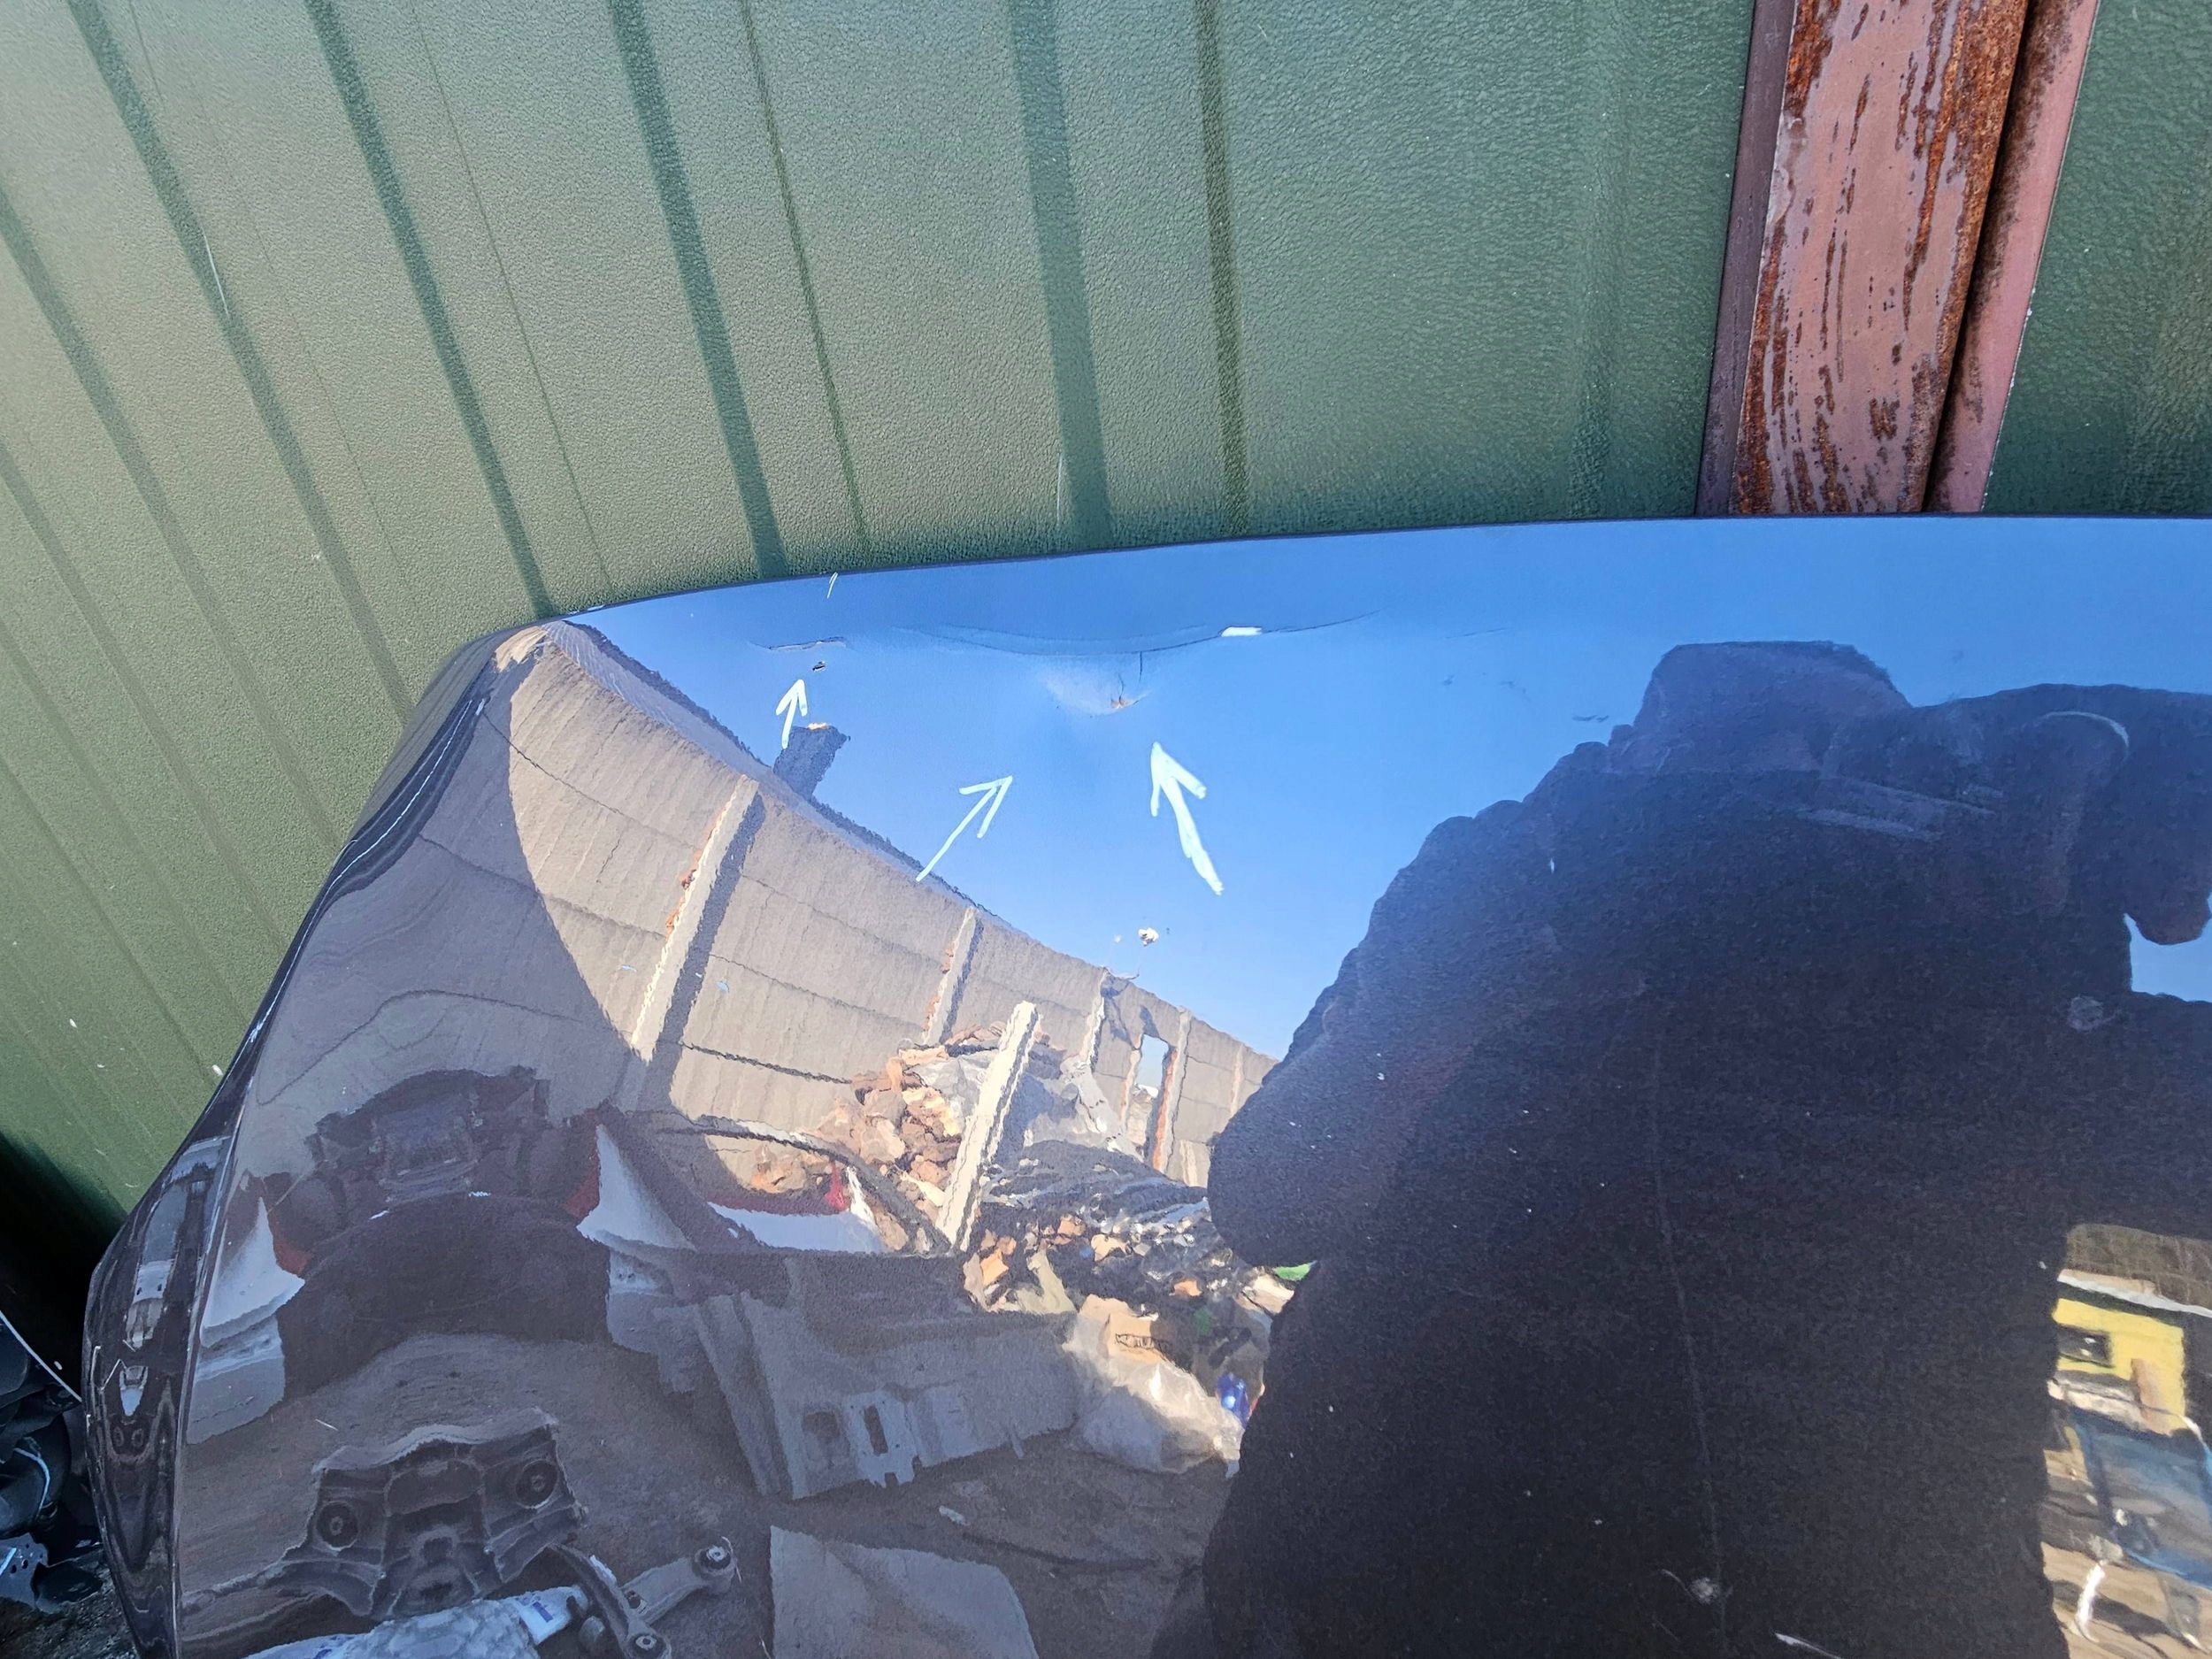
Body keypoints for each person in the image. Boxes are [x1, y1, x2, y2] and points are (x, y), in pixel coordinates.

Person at [1192, 642, 2212, 1658]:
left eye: (1853, 752)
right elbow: (1263, 1207)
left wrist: (2178, 748)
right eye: (1734, 731)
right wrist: (1408, 1028)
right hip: (1311, 1617)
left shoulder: (2005, 1010)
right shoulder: (1486, 931)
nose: (1787, 767)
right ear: (1623, 755)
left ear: (1947, 789)